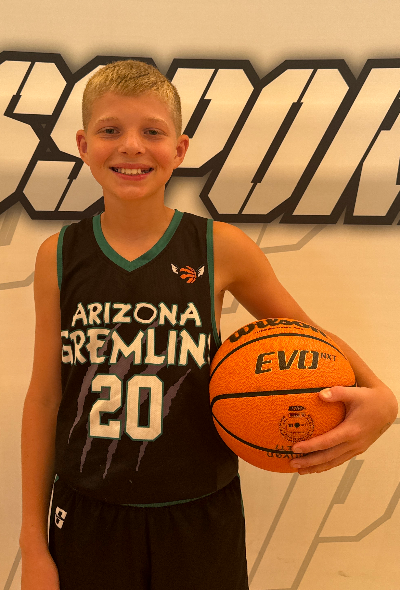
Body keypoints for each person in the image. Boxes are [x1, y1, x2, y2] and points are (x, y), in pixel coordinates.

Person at [19, 60, 398, 590]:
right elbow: (45, 397)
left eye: (153, 132)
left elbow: (307, 337)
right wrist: (32, 545)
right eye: (110, 130)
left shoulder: (219, 246)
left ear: (179, 149)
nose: (131, 146)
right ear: (83, 145)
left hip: (199, 509)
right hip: (87, 510)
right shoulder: (58, 255)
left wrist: (381, 396)